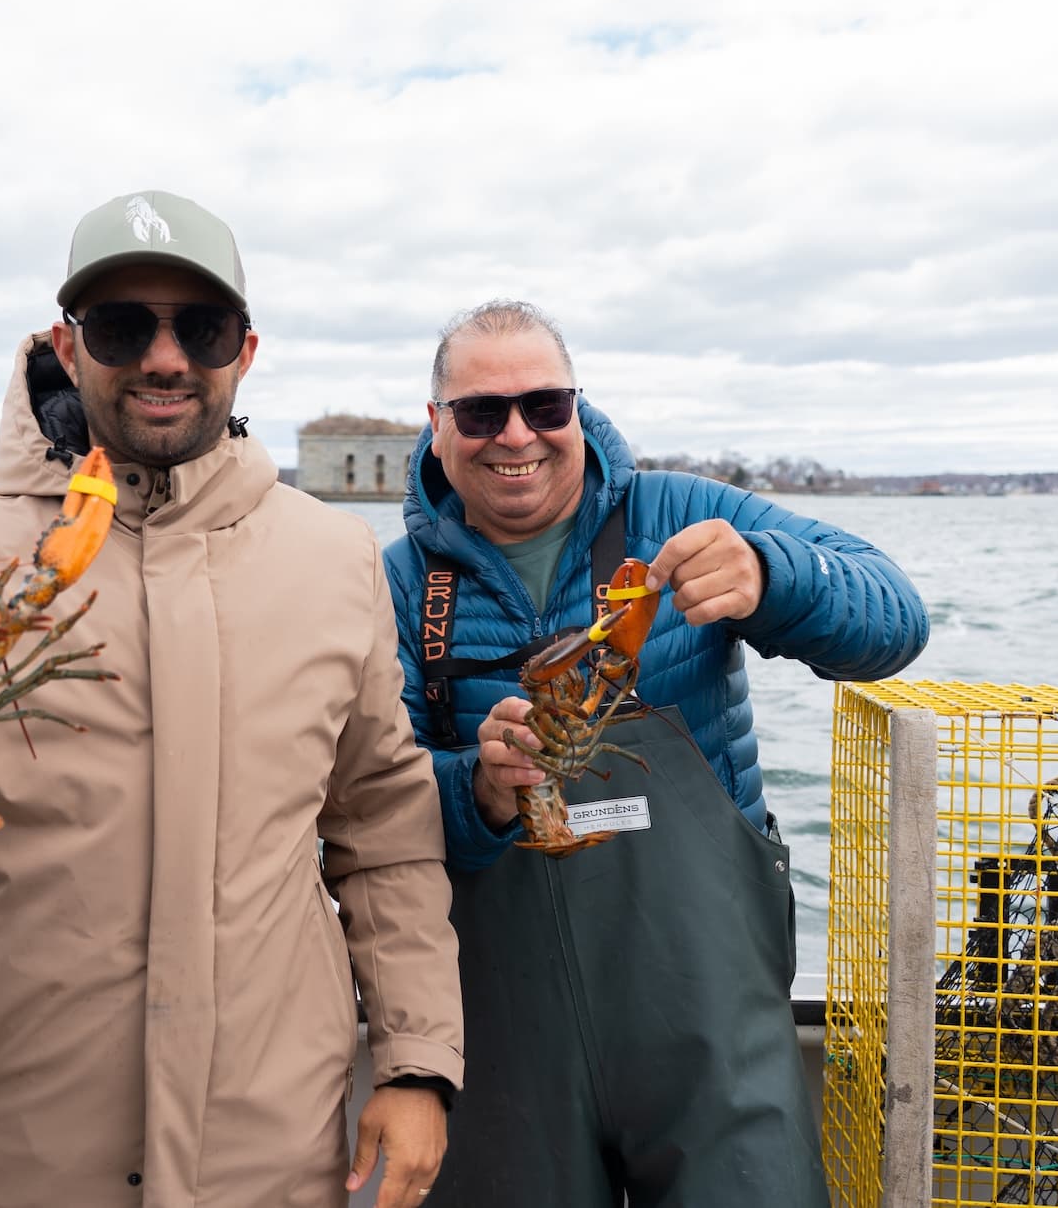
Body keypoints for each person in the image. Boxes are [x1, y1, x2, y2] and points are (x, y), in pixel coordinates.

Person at [0, 191, 463, 1208]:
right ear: (67, 348)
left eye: (196, 327)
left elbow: (381, 825)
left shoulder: (332, 557)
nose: (162, 358)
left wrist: (415, 1062)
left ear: (244, 350)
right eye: (120, 326)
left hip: (273, 1141)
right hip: (11, 1148)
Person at [381, 300, 929, 1206]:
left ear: (578, 407)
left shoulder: (680, 511)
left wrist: (771, 577)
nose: (515, 433)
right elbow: (375, 809)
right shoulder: (399, 584)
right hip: (504, 1027)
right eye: (480, 412)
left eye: (544, 405)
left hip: (706, 1003)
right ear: (436, 427)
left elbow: (895, 619)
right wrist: (475, 787)